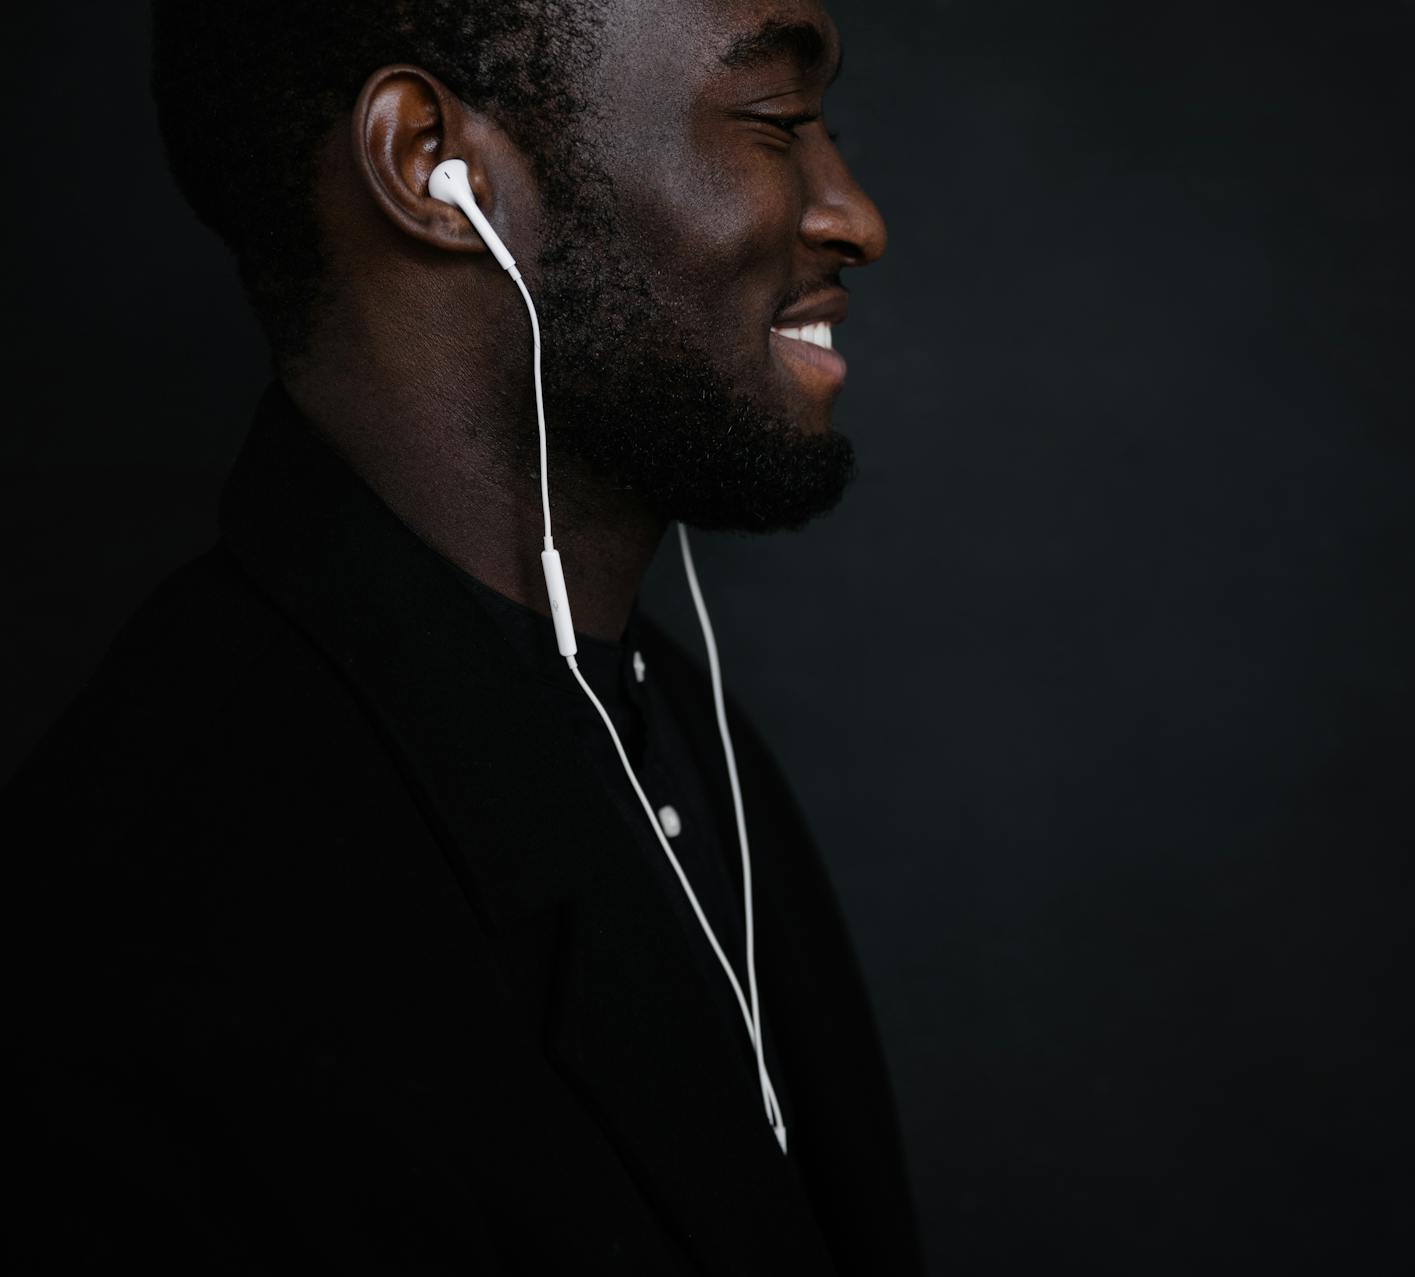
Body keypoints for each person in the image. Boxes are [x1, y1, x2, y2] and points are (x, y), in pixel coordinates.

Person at [1, 1, 918, 1271]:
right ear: (432, 163)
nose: (853, 214)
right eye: (774, 120)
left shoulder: (673, 722)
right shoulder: (164, 952)